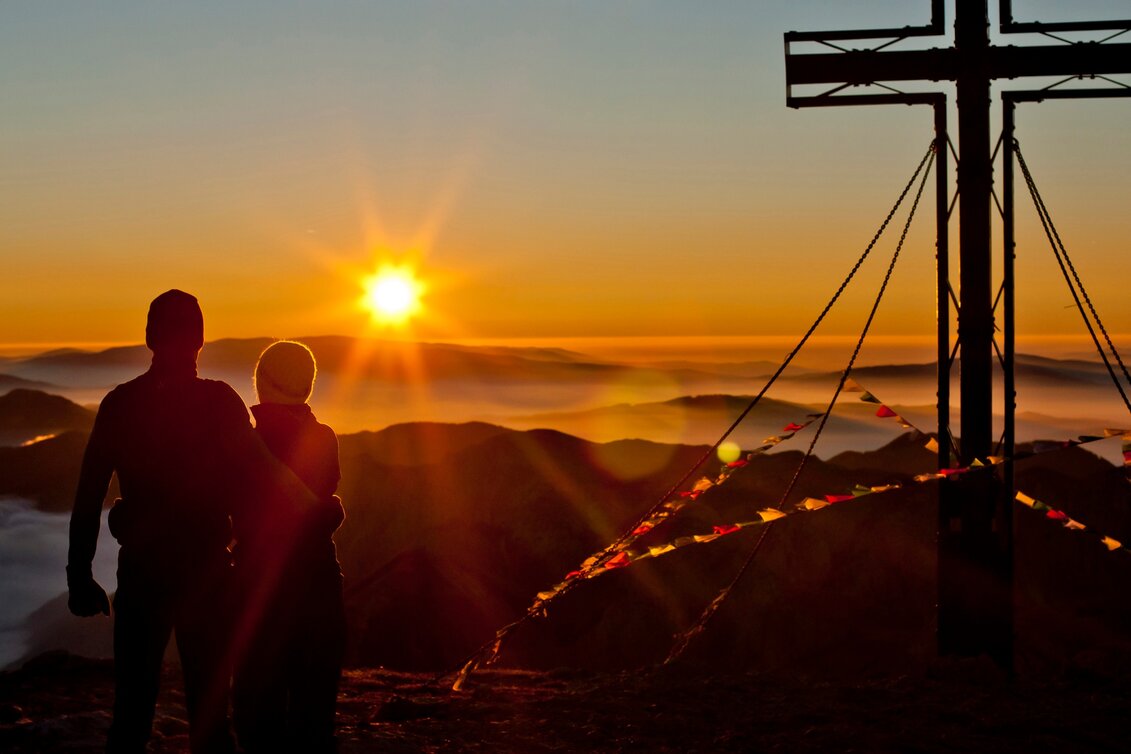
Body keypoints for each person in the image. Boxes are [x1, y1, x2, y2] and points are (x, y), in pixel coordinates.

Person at [67, 290, 316, 754]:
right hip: (207, 575)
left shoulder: (120, 404)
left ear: (148, 337)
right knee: (210, 717)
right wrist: (310, 510)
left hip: (142, 573)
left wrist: (79, 577)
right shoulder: (220, 402)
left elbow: (88, 494)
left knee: (132, 715)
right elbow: (262, 473)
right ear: (201, 340)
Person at [230, 340, 346, 754]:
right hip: (319, 585)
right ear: (309, 386)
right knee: (313, 715)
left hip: (260, 591)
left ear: (261, 382)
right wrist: (329, 511)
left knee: (258, 715)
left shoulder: (246, 445)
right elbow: (321, 504)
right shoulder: (325, 439)